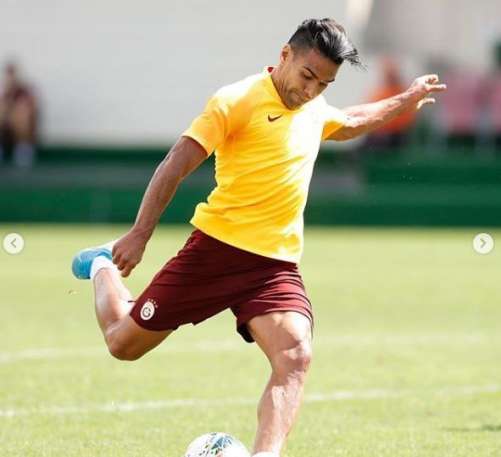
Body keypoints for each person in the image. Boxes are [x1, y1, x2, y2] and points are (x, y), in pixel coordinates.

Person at [71, 18, 446, 457]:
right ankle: (101, 266)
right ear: (284, 55)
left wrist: (405, 99)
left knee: (295, 355)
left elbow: (348, 122)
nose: (311, 90)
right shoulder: (236, 100)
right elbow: (176, 163)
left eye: (324, 84)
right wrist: (140, 233)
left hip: (274, 266)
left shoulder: (314, 107)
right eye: (307, 76)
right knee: (123, 343)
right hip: (215, 253)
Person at [362, 56, 417, 151]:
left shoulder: (404, 93)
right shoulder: (381, 92)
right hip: (379, 132)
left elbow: (407, 119)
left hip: (397, 135)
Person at [0, 62, 38, 167]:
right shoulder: (3, 92)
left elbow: (31, 110)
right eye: (8, 75)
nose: (10, 79)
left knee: (21, 114)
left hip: (19, 126)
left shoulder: (26, 92)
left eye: (13, 75)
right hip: (5, 125)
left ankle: (23, 148)